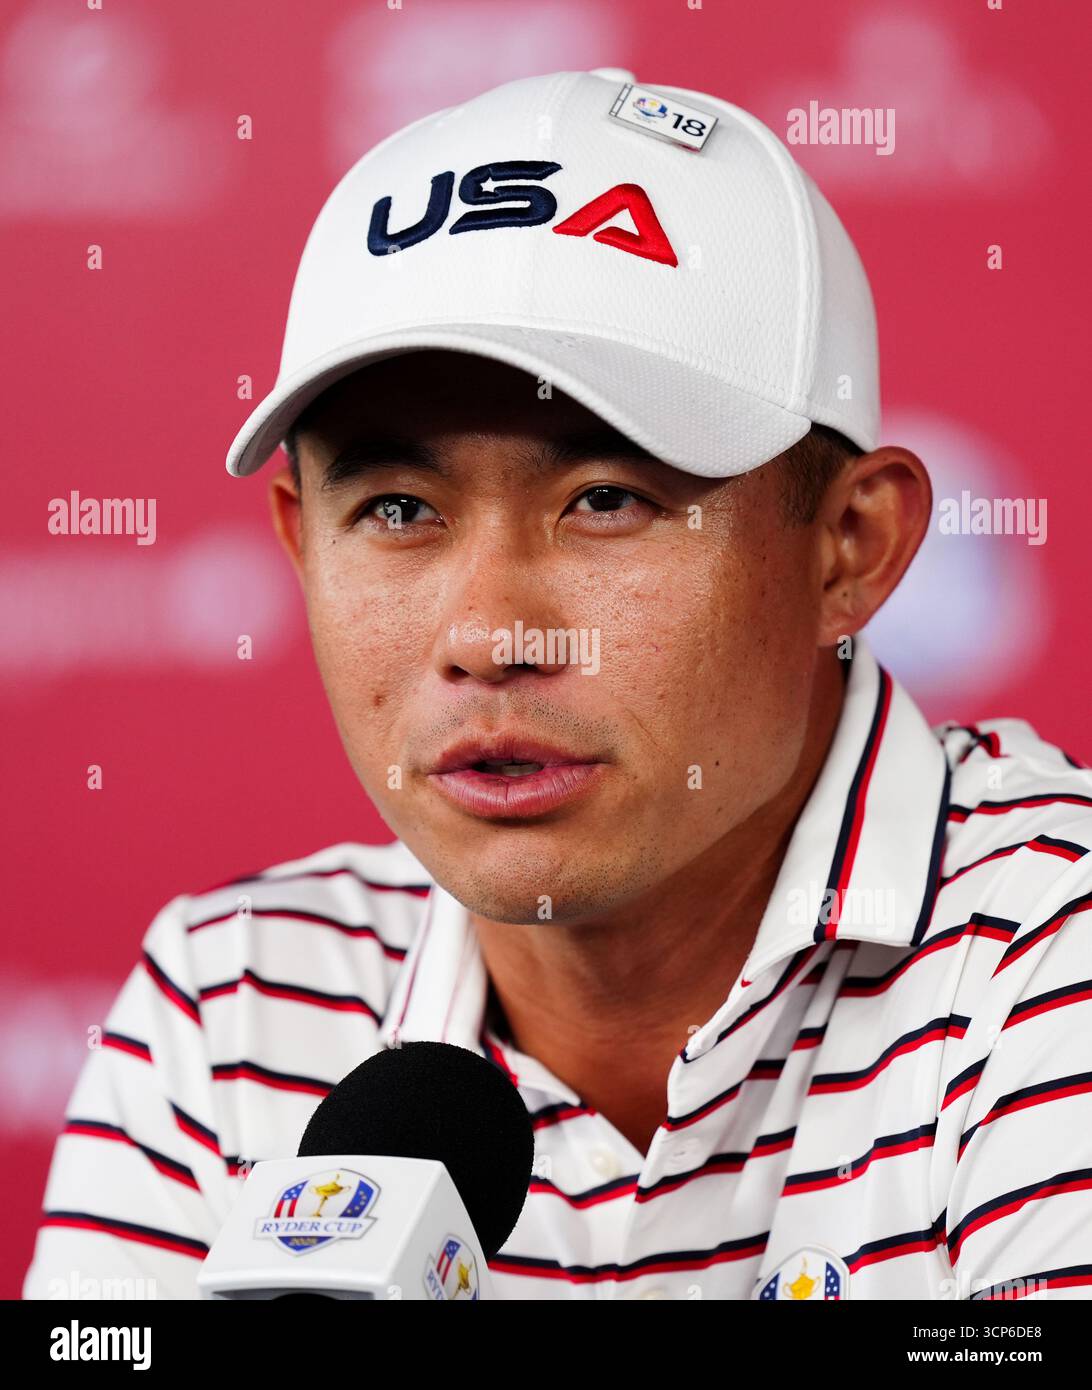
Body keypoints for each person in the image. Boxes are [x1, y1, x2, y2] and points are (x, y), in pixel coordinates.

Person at [25, 68, 1092, 1302]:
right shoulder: (232, 1003)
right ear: (299, 540)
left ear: (847, 547)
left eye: (605, 500)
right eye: (397, 509)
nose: (487, 634)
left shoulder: (1052, 950)